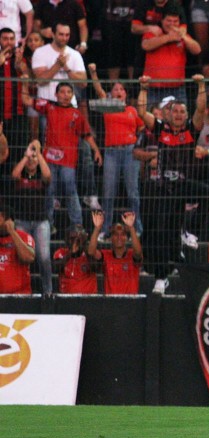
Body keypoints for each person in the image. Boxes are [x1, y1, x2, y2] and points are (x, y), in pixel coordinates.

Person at [137, 74, 209, 294]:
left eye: (182, 111)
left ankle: (190, 232)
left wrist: (200, 84)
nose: (179, 115)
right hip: (163, 189)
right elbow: (142, 112)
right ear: (167, 114)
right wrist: (143, 88)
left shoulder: (191, 130)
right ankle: (161, 278)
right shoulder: (161, 129)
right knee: (161, 232)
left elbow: (201, 110)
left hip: (183, 185)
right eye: (175, 111)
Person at [20, 81, 102, 229]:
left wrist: (96, 150)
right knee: (49, 191)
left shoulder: (77, 114)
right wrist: (25, 83)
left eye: (69, 92)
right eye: (62, 92)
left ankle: (77, 225)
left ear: (72, 95)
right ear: (56, 95)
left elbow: (87, 135)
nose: (66, 95)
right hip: (49, 160)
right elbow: (26, 100)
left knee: (71, 191)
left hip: (68, 161)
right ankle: (49, 224)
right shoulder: (48, 106)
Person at [86, 64, 144, 238]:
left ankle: (137, 228)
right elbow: (98, 90)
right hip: (111, 153)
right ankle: (105, 229)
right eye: (115, 89)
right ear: (111, 94)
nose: (118, 91)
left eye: (121, 89)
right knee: (108, 193)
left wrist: (139, 144)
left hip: (130, 152)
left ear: (126, 93)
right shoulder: (109, 106)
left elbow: (142, 129)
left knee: (132, 192)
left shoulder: (133, 110)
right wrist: (94, 73)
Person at [10, 141, 50, 293]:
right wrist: (26, 157)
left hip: (40, 222)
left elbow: (48, 176)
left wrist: (38, 154)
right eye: (29, 158)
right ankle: (23, 288)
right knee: (21, 257)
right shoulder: (20, 176)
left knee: (44, 257)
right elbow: (14, 175)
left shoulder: (41, 176)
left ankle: (48, 292)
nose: (32, 160)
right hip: (22, 222)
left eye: (34, 158)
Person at [140, 7, 201, 107]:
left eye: (175, 21)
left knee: (179, 120)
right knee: (151, 120)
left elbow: (197, 49)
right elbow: (145, 45)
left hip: (177, 88)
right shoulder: (154, 33)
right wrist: (168, 37)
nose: (172, 24)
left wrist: (183, 36)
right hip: (154, 88)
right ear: (162, 21)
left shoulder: (182, 36)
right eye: (169, 20)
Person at [87, 211, 143, 294]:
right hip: (111, 303)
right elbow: (91, 252)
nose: (119, 237)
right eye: (116, 234)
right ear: (110, 238)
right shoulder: (106, 255)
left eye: (123, 234)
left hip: (130, 303)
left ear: (126, 238)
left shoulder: (132, 254)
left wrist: (131, 228)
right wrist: (97, 228)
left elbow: (138, 252)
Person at [0, 204, 35, 294]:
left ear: (9, 221)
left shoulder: (24, 236)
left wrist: (12, 232)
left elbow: (28, 258)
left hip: (20, 297)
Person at [53, 224, 98, 294]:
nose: (75, 241)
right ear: (66, 239)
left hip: (88, 299)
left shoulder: (89, 253)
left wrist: (83, 246)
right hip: (66, 299)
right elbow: (56, 268)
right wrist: (71, 253)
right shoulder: (60, 252)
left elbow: (96, 268)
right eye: (72, 238)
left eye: (77, 238)